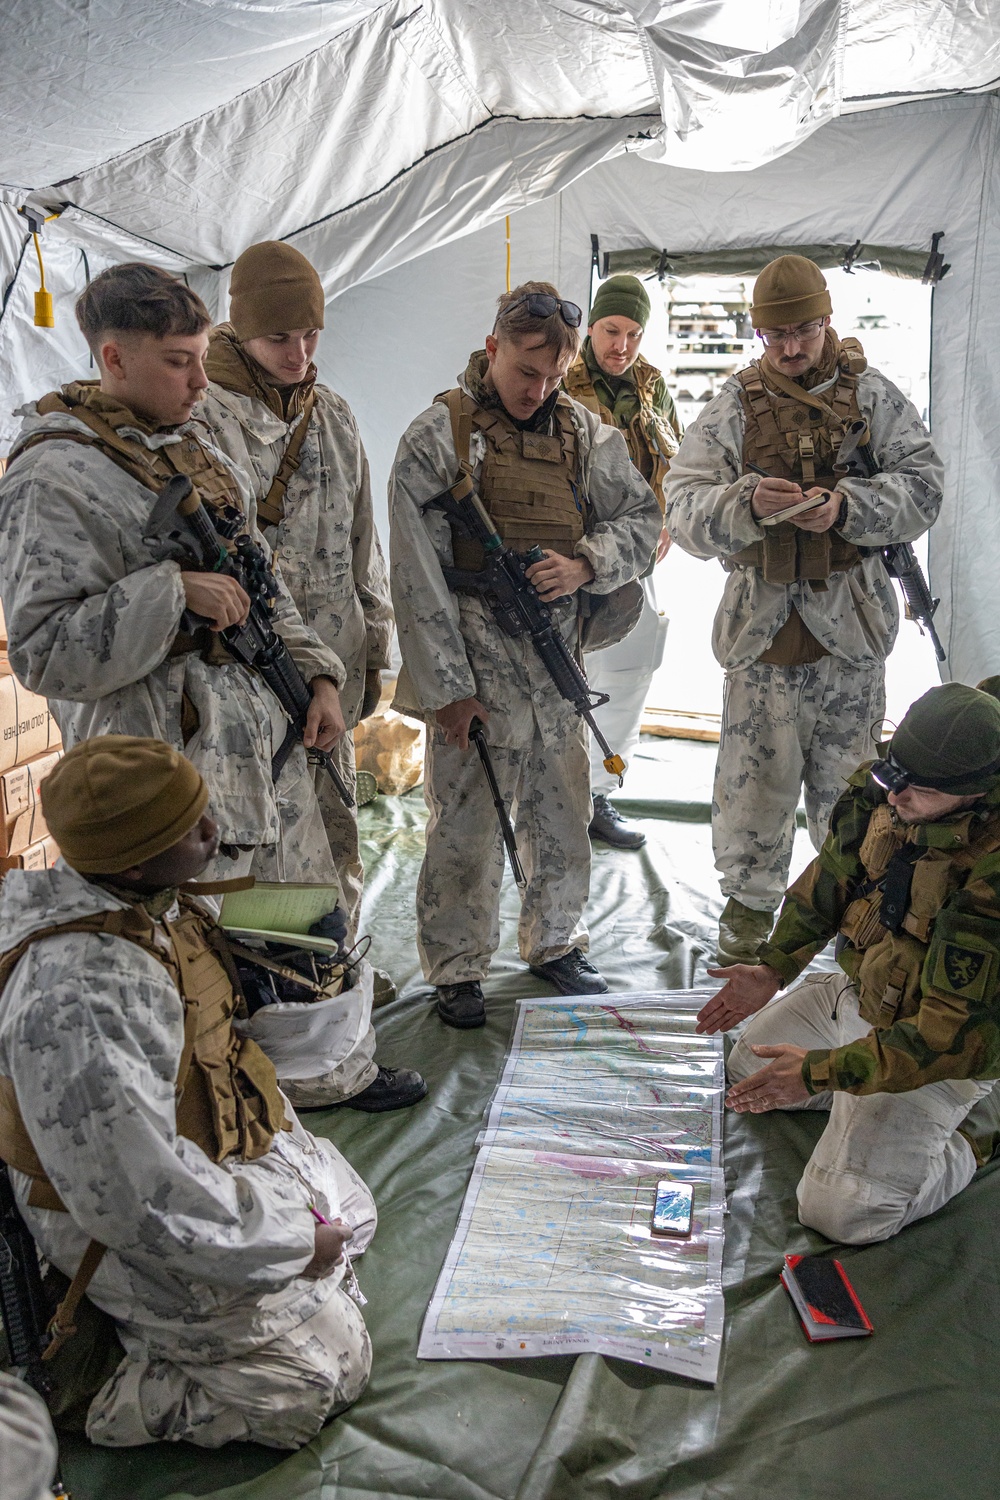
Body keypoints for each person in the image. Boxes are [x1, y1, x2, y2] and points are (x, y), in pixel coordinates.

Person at [0, 261, 423, 1112]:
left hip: (264, 748)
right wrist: (169, 596)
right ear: (112, 359)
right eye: (178, 362)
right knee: (195, 956)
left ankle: (317, 1080)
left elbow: (264, 587)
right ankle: (217, 1104)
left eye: (201, 356)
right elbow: (44, 653)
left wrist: (319, 677)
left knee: (300, 920)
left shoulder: (191, 443)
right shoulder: (53, 475)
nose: (202, 378)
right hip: (168, 775)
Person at [0, 736, 376, 1448]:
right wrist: (297, 1243)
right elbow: (132, 1197)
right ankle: (90, 1385)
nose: (215, 830)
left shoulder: (146, 900)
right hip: (122, 1210)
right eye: (193, 825)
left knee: (352, 1217)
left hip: (195, 1154)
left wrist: (303, 1229)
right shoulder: (83, 995)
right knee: (323, 1377)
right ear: (135, 858)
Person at [390, 280, 662, 1028]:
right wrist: (446, 690)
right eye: (523, 372)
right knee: (465, 828)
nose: (535, 390)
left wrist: (585, 564)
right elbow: (413, 577)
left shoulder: (584, 433)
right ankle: (456, 968)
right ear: (492, 348)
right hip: (472, 670)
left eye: (551, 376)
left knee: (563, 814)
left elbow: (642, 519)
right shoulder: (438, 437)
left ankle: (555, 943)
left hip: (554, 668)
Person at [663, 255, 944, 965]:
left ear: (828, 321)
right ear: (758, 334)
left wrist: (850, 507)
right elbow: (683, 509)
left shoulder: (873, 398)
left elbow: (925, 487)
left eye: (805, 330)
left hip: (850, 636)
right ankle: (749, 925)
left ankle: (852, 926)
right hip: (761, 640)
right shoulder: (732, 407)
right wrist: (744, 505)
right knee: (752, 793)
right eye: (776, 335)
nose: (791, 348)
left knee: (852, 798)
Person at [697, 683, 1000, 1245]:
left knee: (843, 1215)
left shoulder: (991, 874)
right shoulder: (884, 788)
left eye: (920, 791)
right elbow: (833, 877)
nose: (895, 798)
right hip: (866, 994)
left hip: (945, 1048)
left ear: (973, 795)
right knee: (747, 1072)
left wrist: (820, 1073)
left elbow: (946, 1034)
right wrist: (773, 968)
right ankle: (865, 1114)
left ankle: (979, 1127)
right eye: (894, 775)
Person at [197, 241, 393, 938]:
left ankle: (337, 966)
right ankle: (277, 978)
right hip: (249, 677)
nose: (298, 354)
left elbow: (363, 544)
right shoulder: (203, 415)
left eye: (311, 335)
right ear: (241, 326)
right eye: (279, 337)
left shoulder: (332, 415)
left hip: (330, 669)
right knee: (264, 846)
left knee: (336, 823)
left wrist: (373, 652)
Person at [563, 274, 681, 851]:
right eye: (612, 330)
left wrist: (670, 521)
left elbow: (677, 463)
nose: (622, 345)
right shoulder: (560, 375)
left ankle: (596, 793)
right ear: (591, 326)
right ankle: (550, 793)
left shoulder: (653, 386)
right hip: (571, 556)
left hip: (636, 559)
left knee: (633, 669)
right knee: (562, 673)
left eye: (634, 333)